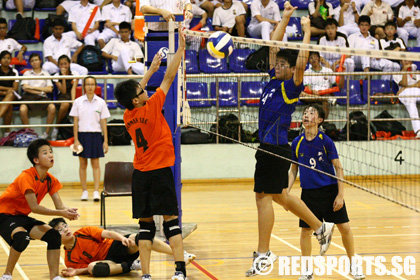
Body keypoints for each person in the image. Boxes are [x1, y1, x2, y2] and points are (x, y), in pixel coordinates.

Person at [245, 2, 334, 277]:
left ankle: (264, 253)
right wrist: (284, 17)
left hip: (275, 148)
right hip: (268, 147)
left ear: (289, 69)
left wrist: (307, 32)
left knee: (263, 197)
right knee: (279, 196)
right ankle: (320, 227)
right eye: (278, 63)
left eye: (284, 64)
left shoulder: (289, 88)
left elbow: (302, 63)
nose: (278, 64)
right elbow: (274, 46)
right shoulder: (272, 80)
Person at [114, 26, 188, 280]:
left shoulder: (127, 115)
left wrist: (149, 72)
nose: (145, 91)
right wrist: (180, 49)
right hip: (159, 173)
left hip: (141, 175)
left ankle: (146, 274)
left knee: (145, 227)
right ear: (138, 100)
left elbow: (134, 93)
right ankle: (180, 271)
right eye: (142, 91)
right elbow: (170, 77)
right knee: (171, 223)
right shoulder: (153, 105)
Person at [288, 104, 365, 280]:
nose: (307, 115)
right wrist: (286, 192)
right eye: (305, 112)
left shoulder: (326, 141)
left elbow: (338, 168)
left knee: (344, 227)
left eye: (311, 113)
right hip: (308, 195)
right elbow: (293, 170)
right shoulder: (296, 142)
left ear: (320, 120)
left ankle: (353, 265)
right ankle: (307, 271)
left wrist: (340, 195)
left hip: (330, 192)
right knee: (305, 232)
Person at [0, 139, 79, 280]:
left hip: (21, 216)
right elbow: (35, 207)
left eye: (51, 152)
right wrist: (61, 213)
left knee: (54, 236)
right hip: (4, 215)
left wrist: (69, 211)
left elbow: (59, 206)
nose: (50, 155)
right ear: (36, 160)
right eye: (45, 153)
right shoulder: (26, 177)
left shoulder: (50, 180)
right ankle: (7, 275)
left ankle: (54, 277)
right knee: (21, 238)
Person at [48, 218, 196, 277]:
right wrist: (76, 271)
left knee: (137, 238)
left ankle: (179, 255)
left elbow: (108, 234)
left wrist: (122, 239)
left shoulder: (83, 232)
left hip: (114, 247)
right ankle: (130, 266)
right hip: (110, 262)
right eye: (60, 230)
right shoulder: (69, 259)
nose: (65, 229)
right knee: (94, 268)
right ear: (56, 237)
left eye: (65, 225)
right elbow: (87, 268)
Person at [69, 76, 110, 202]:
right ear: (84, 87)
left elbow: (103, 123)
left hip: (96, 135)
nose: (90, 87)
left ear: (96, 86)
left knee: (96, 164)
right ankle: (84, 191)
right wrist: (76, 140)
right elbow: (75, 122)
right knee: (82, 164)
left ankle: (96, 191)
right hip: (82, 135)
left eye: (92, 84)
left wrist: (106, 141)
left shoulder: (101, 102)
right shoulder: (78, 102)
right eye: (87, 84)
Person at [348, 16, 400, 80]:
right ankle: (366, 72)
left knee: (393, 65)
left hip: (371, 59)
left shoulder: (374, 40)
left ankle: (384, 85)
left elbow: (377, 55)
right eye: (362, 25)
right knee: (365, 50)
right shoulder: (352, 37)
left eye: (366, 25)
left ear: (369, 26)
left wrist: (376, 56)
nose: (364, 27)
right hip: (356, 60)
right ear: (358, 26)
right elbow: (349, 53)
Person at [19, 53, 55, 140]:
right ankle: (29, 133)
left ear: (40, 61)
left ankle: (46, 133)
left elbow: (50, 89)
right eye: (32, 61)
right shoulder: (27, 73)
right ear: (30, 63)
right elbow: (25, 88)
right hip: (29, 96)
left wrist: (33, 87)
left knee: (52, 107)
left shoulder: (46, 74)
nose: (34, 62)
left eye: (36, 60)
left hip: (42, 97)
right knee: (22, 109)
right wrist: (41, 90)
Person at [301, 51, 344, 119]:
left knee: (324, 100)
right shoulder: (307, 72)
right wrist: (312, 91)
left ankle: (324, 123)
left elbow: (339, 85)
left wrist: (342, 74)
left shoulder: (328, 70)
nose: (313, 59)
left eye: (315, 57)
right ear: (309, 61)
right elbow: (308, 88)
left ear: (319, 59)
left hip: (325, 93)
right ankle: (327, 100)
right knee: (305, 96)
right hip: (313, 95)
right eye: (311, 58)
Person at [51, 55, 80, 141]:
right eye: (61, 64)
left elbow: (73, 89)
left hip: (72, 96)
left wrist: (73, 101)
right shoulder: (56, 76)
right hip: (62, 97)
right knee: (65, 105)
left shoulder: (75, 74)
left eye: (65, 64)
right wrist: (63, 77)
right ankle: (56, 127)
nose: (63, 66)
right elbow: (63, 91)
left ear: (69, 64)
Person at [393, 59, 420, 138]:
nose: (406, 61)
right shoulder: (396, 74)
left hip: (416, 91)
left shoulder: (416, 72)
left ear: (411, 61)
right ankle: (418, 130)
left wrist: (405, 87)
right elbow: (404, 83)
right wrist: (404, 70)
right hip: (404, 94)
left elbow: (418, 85)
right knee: (411, 105)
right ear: (400, 62)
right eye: (404, 60)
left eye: (408, 60)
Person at [0, 51, 19, 137]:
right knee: (9, 105)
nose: (6, 60)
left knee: (10, 95)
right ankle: (7, 132)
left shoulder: (14, 71)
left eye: (8, 58)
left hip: (11, 95)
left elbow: (15, 88)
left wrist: (8, 91)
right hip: (2, 94)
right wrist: (6, 90)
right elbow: (10, 88)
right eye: (4, 58)